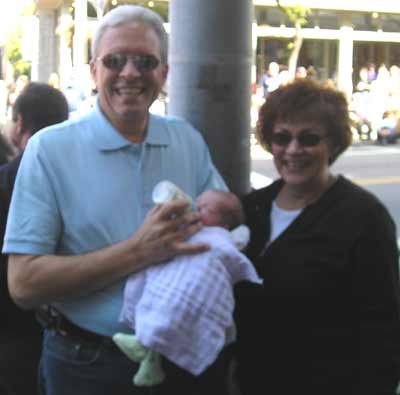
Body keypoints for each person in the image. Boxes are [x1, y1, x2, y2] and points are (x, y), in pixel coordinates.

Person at [3, 5, 227, 395]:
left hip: (184, 359)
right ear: (93, 71)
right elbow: (23, 284)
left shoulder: (186, 139)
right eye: (114, 60)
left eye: (145, 61)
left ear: (164, 73)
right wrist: (139, 251)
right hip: (86, 365)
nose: (129, 73)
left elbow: (220, 220)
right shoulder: (49, 150)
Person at [234, 78, 400, 395]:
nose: (293, 150)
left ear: (334, 143)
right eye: (282, 137)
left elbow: (383, 334)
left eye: (309, 138)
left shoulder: (364, 218)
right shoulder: (250, 209)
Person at [113, 187, 261, 387]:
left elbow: (233, 253)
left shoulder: (222, 236)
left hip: (199, 281)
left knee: (177, 308)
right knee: (158, 296)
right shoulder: (187, 230)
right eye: (197, 205)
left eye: (205, 208)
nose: (196, 210)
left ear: (225, 222)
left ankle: (147, 351)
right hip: (174, 275)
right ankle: (147, 352)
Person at [0, 82, 69, 395]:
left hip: (13, 330)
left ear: (20, 124)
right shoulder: (74, 178)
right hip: (70, 332)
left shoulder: (8, 178)